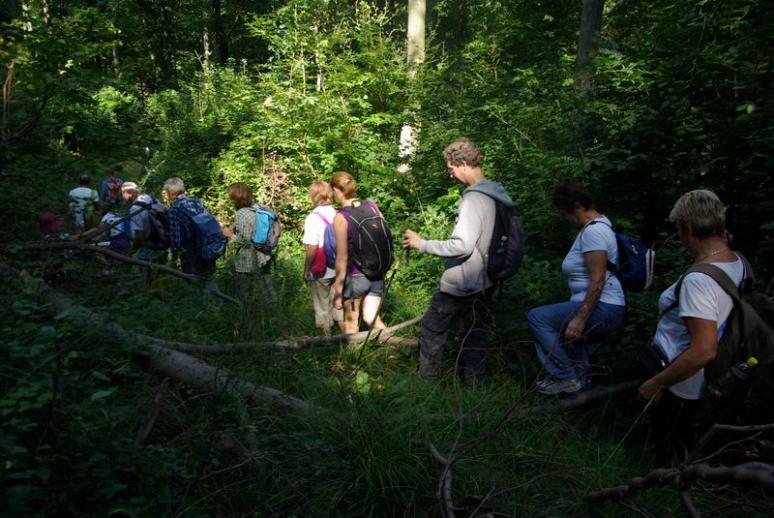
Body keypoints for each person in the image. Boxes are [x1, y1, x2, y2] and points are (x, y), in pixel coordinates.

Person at [638, 189, 744, 455]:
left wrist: (657, 383)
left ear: (687, 228)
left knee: (663, 450)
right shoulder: (736, 261)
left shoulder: (699, 281)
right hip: (705, 379)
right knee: (682, 444)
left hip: (679, 381)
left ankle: (659, 489)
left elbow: (703, 349)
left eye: (678, 228)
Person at [403, 137, 513, 386]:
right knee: (475, 339)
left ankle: (425, 386)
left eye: (451, 169)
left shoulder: (474, 199)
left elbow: (462, 245)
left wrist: (422, 244)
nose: (451, 175)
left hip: (461, 283)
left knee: (432, 329)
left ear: (462, 163)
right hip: (485, 282)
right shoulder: (497, 194)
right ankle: (476, 391)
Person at [527, 179, 627, 395]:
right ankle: (579, 401)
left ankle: (565, 377)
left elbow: (598, 279)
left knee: (538, 317)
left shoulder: (594, 232)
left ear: (577, 207)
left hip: (605, 307)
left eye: (565, 212)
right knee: (576, 351)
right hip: (605, 307)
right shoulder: (601, 225)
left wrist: (581, 317)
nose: (565, 218)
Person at [331, 171, 387, 335]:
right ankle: (394, 348)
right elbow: (382, 236)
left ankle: (352, 360)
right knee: (371, 318)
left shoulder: (341, 217)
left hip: (355, 277)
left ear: (336, 190)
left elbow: (342, 258)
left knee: (351, 325)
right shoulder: (371, 205)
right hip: (377, 273)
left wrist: (338, 292)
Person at [302, 181, 345, 336]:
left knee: (322, 304)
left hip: (321, 268)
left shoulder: (312, 218)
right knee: (339, 302)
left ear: (313, 197)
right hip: (340, 266)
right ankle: (347, 338)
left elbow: (312, 248)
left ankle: (327, 339)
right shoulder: (339, 213)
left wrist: (306, 269)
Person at [221, 182, 275, 300]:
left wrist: (230, 235)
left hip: (248, 260)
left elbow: (244, 242)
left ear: (235, 198)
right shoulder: (258, 208)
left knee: (244, 293)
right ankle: (273, 314)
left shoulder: (241, 213)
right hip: (265, 255)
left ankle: (246, 316)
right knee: (267, 290)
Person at [163, 176, 218, 277]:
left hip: (191, 254)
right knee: (209, 279)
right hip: (208, 248)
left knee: (194, 284)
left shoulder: (174, 210)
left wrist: (173, 260)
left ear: (171, 192)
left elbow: (176, 239)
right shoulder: (195, 201)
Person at [122, 182, 168, 265]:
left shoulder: (134, 208)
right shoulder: (149, 197)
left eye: (122, 193)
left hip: (152, 243)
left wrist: (133, 250)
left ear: (128, 193)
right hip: (165, 238)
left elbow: (140, 235)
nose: (122, 196)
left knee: (135, 262)